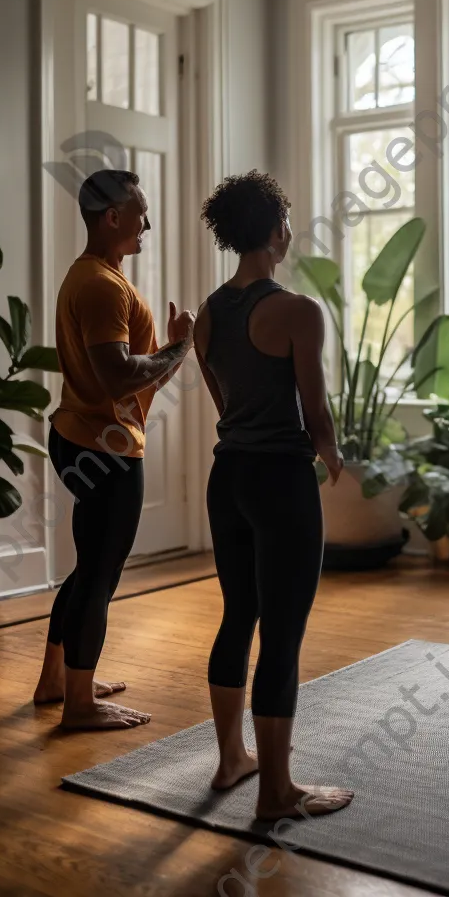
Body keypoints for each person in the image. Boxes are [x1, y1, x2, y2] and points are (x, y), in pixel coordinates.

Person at [194, 170, 353, 821]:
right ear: (274, 230)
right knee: (282, 635)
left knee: (239, 616)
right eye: (286, 221)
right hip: (280, 483)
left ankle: (234, 759)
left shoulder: (207, 314)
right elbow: (313, 411)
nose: (289, 232)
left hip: (227, 476)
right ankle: (277, 793)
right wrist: (333, 454)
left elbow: (224, 406)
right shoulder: (296, 311)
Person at [33, 169, 195, 729]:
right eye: (140, 211)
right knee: (101, 575)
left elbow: (133, 381)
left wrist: (173, 352)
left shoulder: (99, 276)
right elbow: (118, 376)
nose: (147, 222)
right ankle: (79, 704)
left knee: (89, 569)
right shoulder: (101, 286)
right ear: (113, 217)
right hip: (103, 449)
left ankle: (59, 679)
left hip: (93, 438)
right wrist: (179, 346)